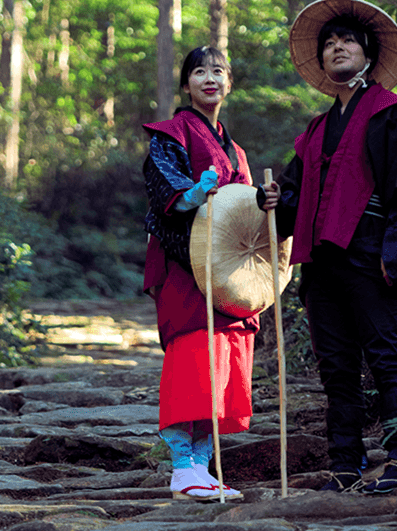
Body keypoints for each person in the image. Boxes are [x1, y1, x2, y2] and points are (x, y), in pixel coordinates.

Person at [259, 0, 397, 495]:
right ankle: (345, 467)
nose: (336, 47)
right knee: (336, 368)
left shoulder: (392, 114)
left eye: (347, 41)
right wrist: (273, 197)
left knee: (386, 356)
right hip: (320, 264)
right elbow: (292, 199)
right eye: (329, 43)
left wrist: (392, 247)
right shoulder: (313, 132)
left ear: (368, 54)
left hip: (371, 253)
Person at [142, 46, 255, 502]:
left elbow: (244, 210)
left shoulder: (236, 148)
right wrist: (193, 192)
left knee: (226, 360)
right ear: (186, 84)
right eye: (199, 71)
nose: (210, 78)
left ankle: (204, 467)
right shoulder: (169, 135)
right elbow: (164, 189)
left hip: (229, 269)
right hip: (185, 265)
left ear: (229, 83)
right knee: (193, 355)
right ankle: (181, 465)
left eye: (219, 71)